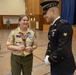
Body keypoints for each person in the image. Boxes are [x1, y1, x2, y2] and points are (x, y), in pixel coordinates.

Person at [40, 0, 76, 75]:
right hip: (56, 65)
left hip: (64, 67)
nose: (44, 16)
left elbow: (63, 49)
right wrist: (47, 54)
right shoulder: (53, 26)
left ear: (53, 12)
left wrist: (49, 59)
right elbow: (51, 43)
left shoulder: (64, 26)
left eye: (45, 13)